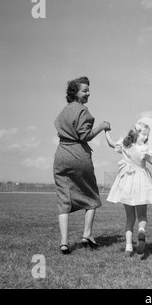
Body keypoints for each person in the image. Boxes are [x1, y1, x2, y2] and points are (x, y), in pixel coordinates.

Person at [53, 76, 111, 255]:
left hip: (61, 154)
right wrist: (102, 126)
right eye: (85, 90)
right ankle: (87, 235)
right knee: (91, 196)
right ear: (76, 94)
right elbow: (85, 136)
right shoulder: (84, 112)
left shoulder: (64, 111)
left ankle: (64, 243)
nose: (88, 93)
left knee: (63, 198)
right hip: (78, 155)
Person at [105, 122, 152, 257]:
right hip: (141, 183)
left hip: (127, 182)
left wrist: (106, 131)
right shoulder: (143, 149)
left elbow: (111, 143)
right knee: (142, 216)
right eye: (144, 135)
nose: (146, 138)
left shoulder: (125, 144)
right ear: (136, 134)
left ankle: (128, 248)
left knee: (129, 217)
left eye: (147, 136)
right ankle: (141, 230)